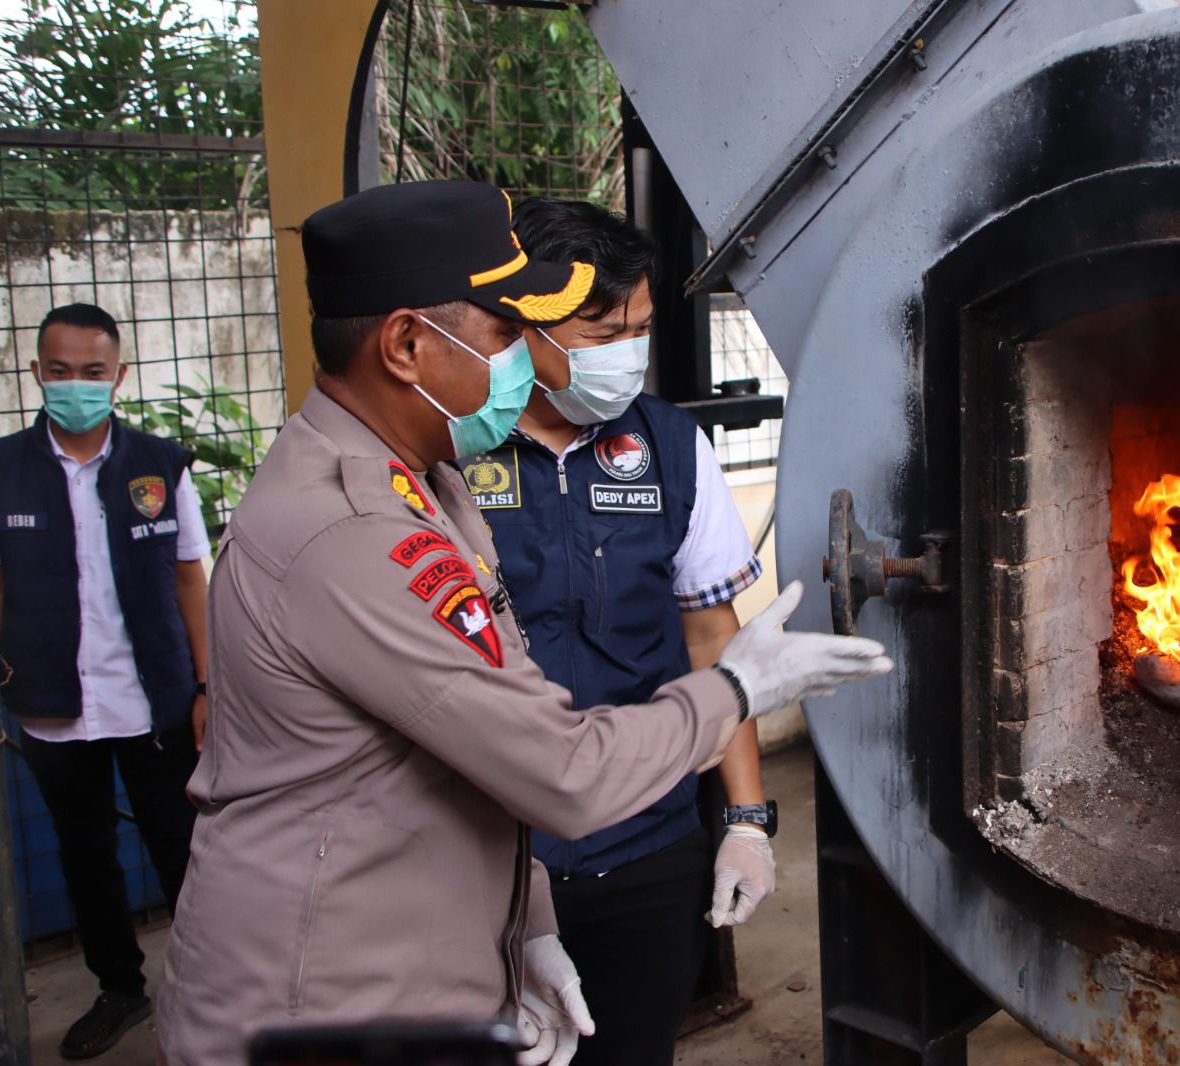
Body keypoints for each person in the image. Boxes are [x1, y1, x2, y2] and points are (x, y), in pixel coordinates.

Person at [155, 180, 891, 1066]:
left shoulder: (426, 484)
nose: (526, 362)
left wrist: (525, 919)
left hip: (440, 943)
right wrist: (743, 687)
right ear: (405, 345)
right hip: (327, 999)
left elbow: (474, 727)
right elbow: (561, 771)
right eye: (505, 334)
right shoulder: (355, 531)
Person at [458, 197, 771, 1066]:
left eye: (639, 327)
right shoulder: (445, 449)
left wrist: (745, 821)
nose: (628, 354)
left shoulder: (669, 446)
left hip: (646, 841)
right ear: (524, 327)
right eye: (602, 334)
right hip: (481, 856)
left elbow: (714, 641)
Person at [0, 303, 210, 1059]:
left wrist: (207, 687)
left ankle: (212, 989)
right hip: (52, 707)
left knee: (185, 851)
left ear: (118, 376)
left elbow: (190, 580)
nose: (74, 385)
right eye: (58, 371)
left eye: (90, 372)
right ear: (37, 374)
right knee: (86, 858)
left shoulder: (160, 463)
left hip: (157, 703)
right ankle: (120, 988)